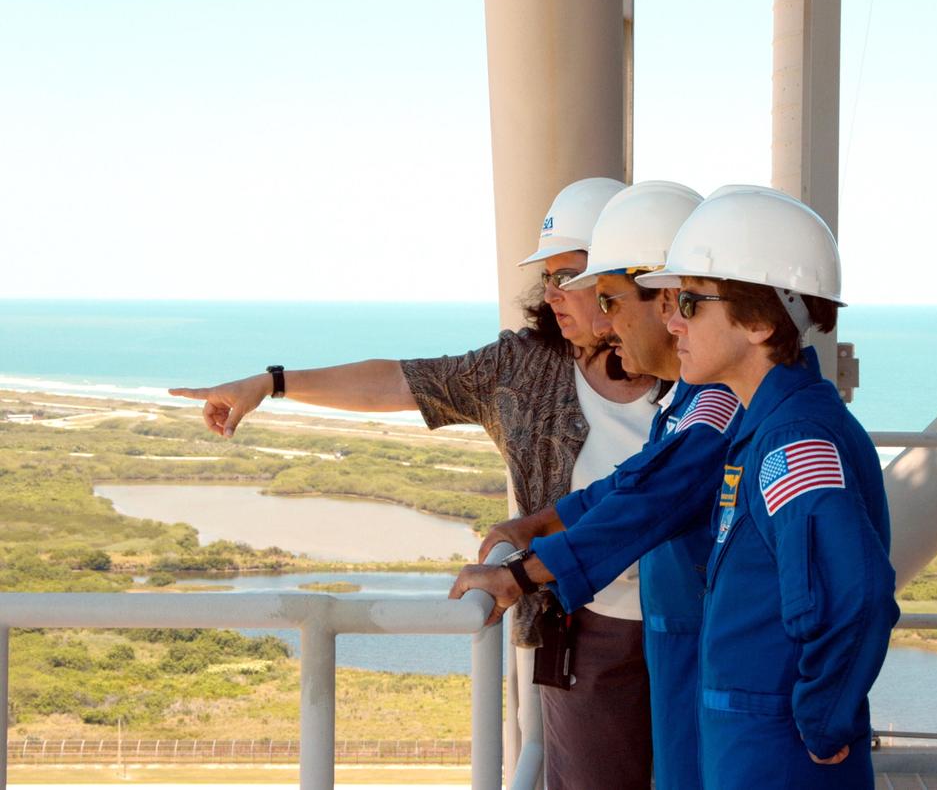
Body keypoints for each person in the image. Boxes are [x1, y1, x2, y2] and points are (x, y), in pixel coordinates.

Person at [168, 176, 659, 790]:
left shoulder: (693, 371)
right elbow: (398, 382)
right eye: (548, 277)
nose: (553, 293)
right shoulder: (525, 367)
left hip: (692, 622)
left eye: (571, 274)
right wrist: (272, 383)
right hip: (587, 629)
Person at [451, 179, 739, 789]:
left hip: (714, 649)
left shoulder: (722, 412)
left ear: (669, 300)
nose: (605, 325)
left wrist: (520, 575)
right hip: (681, 635)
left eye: (610, 299)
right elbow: (622, 489)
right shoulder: (689, 404)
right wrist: (534, 527)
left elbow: (643, 507)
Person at [634, 186, 900, 789]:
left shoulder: (793, 443)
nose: (672, 321)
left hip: (778, 756)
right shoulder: (765, 431)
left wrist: (824, 720)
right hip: (751, 746)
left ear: (758, 321)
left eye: (690, 302)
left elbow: (858, 595)